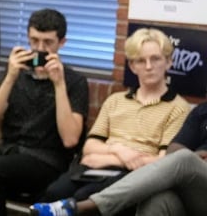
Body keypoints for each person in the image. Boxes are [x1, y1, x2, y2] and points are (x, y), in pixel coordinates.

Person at [30, 28, 192, 215]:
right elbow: (89, 147)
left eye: (155, 59)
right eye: (141, 60)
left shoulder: (178, 107)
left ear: (168, 62)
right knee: (53, 193)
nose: (148, 66)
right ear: (132, 66)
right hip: (93, 170)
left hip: (133, 177)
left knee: (83, 199)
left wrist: (104, 157)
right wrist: (119, 151)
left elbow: (163, 163)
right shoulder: (115, 100)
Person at [0, 8, 89, 216]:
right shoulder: (18, 74)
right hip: (11, 151)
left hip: (48, 160)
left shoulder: (75, 82)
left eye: (48, 43)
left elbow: (70, 139)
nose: (40, 48)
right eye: (34, 41)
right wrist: (11, 77)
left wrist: (58, 84)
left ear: (62, 43)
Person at [30, 101, 207, 216]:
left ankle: (87, 206)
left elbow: (176, 158)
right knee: (158, 199)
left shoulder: (177, 106)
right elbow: (173, 151)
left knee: (185, 159)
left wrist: (192, 159)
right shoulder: (202, 111)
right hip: (195, 191)